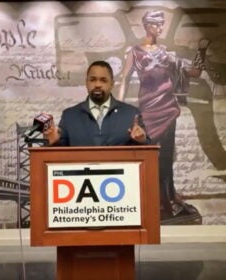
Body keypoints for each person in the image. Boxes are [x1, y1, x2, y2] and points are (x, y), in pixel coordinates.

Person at [117, 10, 208, 224]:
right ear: (148, 26)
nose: (160, 28)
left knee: (166, 159)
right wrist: (119, 109)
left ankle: (167, 201)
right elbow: (124, 80)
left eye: (162, 24)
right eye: (157, 24)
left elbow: (194, 72)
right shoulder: (135, 53)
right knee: (148, 158)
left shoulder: (167, 55)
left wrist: (201, 52)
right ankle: (149, 201)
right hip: (148, 111)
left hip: (168, 111)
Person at [44, 60, 150, 148]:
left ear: (112, 84)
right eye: (93, 80)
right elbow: (59, 157)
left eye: (103, 80)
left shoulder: (131, 114)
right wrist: (53, 142)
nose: (98, 84)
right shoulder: (70, 116)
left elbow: (149, 152)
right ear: (86, 83)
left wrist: (142, 140)